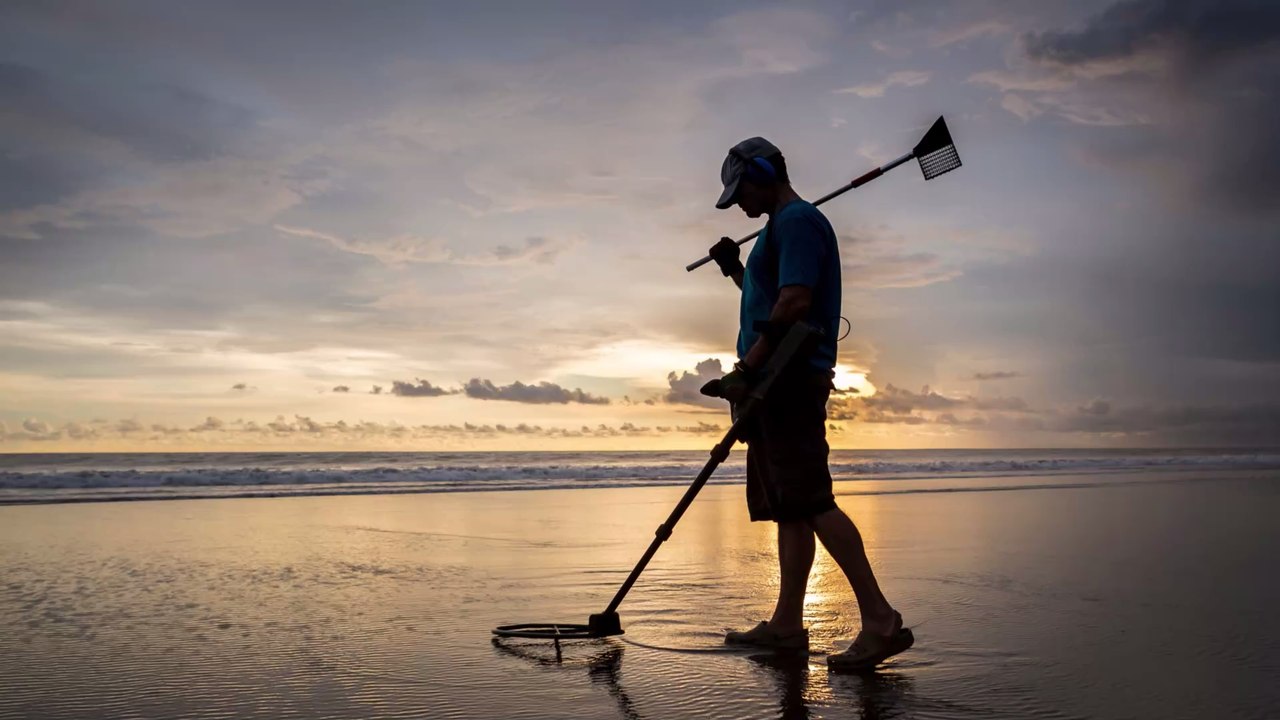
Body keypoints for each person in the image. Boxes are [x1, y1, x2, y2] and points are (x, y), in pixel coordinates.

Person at [703, 137, 913, 671]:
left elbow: (796, 303)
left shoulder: (798, 222)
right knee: (789, 508)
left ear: (764, 172)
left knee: (812, 500)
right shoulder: (780, 229)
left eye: (741, 190)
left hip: (787, 378)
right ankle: (786, 626)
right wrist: (737, 270)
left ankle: (881, 621)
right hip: (773, 380)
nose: (740, 204)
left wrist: (747, 371)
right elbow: (771, 302)